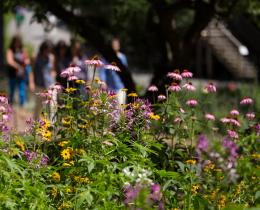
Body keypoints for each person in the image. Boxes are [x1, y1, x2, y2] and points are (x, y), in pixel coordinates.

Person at [6, 35, 34, 111]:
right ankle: (9, 108)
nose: (17, 44)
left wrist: (26, 62)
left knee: (22, 90)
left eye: (18, 42)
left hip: (22, 74)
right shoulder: (10, 50)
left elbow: (27, 60)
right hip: (13, 74)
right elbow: (9, 61)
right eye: (16, 42)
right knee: (12, 91)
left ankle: (22, 107)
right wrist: (18, 67)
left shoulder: (23, 50)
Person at [33, 40, 56, 119]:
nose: (48, 51)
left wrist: (53, 76)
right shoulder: (36, 57)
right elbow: (31, 70)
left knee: (51, 106)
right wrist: (31, 82)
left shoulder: (51, 57)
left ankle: (50, 126)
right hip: (39, 84)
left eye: (50, 50)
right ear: (43, 48)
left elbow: (52, 70)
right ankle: (35, 125)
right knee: (38, 106)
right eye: (47, 49)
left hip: (49, 84)